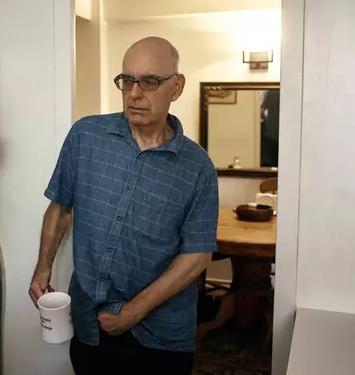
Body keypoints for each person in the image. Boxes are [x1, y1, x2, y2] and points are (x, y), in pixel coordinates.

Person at [29, 36, 219, 375]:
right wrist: (43, 266)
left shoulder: (198, 167)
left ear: (176, 87)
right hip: (91, 325)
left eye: (149, 81)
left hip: (162, 338)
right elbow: (60, 207)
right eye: (126, 80)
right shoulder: (85, 136)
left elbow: (197, 256)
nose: (134, 93)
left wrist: (133, 312)